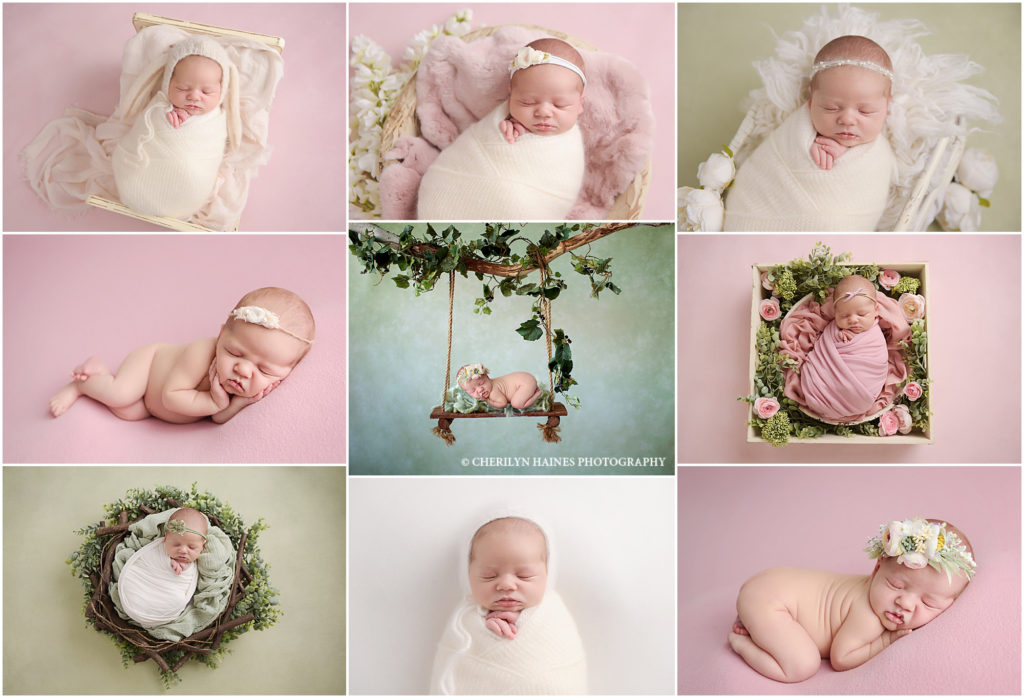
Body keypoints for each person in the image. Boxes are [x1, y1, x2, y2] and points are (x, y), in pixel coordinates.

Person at [729, 517, 976, 682]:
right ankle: (741, 642)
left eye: (928, 603)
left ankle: (756, 622)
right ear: (877, 568)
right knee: (802, 665)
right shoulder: (869, 616)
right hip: (771, 600)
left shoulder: (880, 595)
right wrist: (887, 639)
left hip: (770, 584)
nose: (905, 604)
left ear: (949, 606)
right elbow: (841, 658)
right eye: (895, 585)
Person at [49, 287, 314, 423]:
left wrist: (238, 404)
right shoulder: (202, 353)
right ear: (221, 335)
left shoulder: (244, 386)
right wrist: (214, 402)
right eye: (234, 352)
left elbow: (218, 418)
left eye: (265, 370)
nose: (243, 370)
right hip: (150, 368)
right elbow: (170, 396)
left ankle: (101, 372)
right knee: (120, 394)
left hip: (153, 410)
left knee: (127, 413)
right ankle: (80, 384)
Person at [456, 363, 542, 411]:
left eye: (482, 383)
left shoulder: (493, 392)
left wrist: (487, 400)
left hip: (524, 383)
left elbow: (503, 403)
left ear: (487, 377)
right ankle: (532, 390)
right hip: (525, 377)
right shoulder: (491, 384)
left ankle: (537, 393)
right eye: (473, 391)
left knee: (516, 404)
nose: (480, 389)